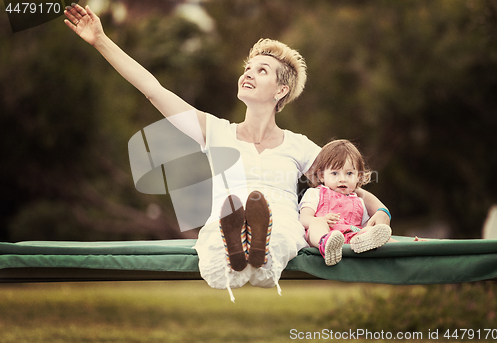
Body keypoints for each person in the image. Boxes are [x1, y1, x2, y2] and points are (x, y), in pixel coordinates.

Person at [63, 4, 391, 301]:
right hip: (226, 218)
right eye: (248, 67)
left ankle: (257, 237)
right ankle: (238, 239)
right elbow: (154, 91)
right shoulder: (216, 131)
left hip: (282, 224)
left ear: (281, 90)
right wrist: (100, 40)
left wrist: (382, 215)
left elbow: (350, 188)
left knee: (279, 239)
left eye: (261, 70)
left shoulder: (300, 147)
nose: (248, 73)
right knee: (217, 243)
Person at [299, 139, 395, 266]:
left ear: (358, 177)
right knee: (317, 225)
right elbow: (303, 218)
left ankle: (364, 242)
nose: (342, 179)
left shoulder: (359, 202)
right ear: (322, 175)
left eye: (349, 173)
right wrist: (321, 219)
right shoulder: (315, 193)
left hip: (351, 238)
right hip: (324, 233)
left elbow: (365, 224)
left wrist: (381, 236)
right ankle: (326, 243)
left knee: (369, 231)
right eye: (334, 173)